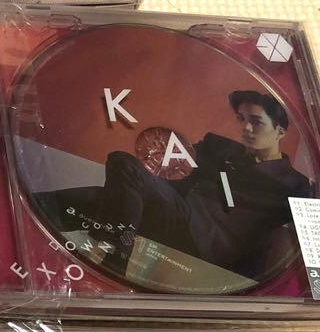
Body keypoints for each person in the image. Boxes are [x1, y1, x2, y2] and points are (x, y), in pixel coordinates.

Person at [48, 90, 314, 276]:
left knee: (123, 163)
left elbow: (308, 244)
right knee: (62, 202)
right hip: (168, 213)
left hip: (204, 244)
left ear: (280, 131)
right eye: (242, 119)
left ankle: (113, 258)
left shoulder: (296, 185)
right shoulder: (221, 147)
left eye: (256, 122)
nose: (246, 128)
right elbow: (178, 163)